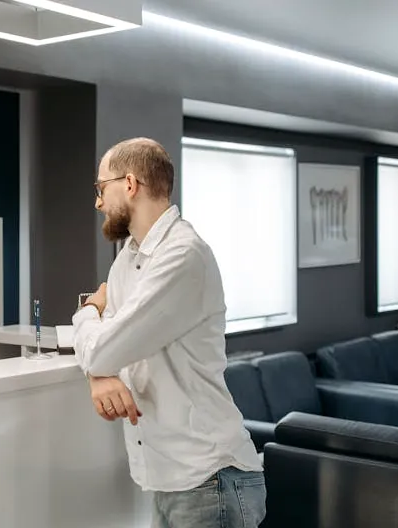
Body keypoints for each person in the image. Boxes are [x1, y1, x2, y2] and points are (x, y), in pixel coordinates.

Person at [72, 138, 265, 527]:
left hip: (210, 478)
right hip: (168, 479)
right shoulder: (127, 260)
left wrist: (87, 310)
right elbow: (109, 350)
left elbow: (104, 346)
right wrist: (98, 373)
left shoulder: (183, 256)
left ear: (129, 184)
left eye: (100, 188)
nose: (97, 203)